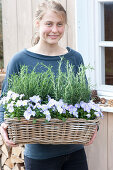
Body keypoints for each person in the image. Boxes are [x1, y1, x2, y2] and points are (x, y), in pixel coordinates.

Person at [0, 0, 97, 169]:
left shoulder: (74, 58)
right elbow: (4, 101)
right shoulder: (20, 60)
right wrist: (2, 124)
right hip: (40, 157)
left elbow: (86, 101)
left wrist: (94, 125)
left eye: (60, 24)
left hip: (75, 152)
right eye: (49, 24)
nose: (55, 30)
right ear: (37, 24)